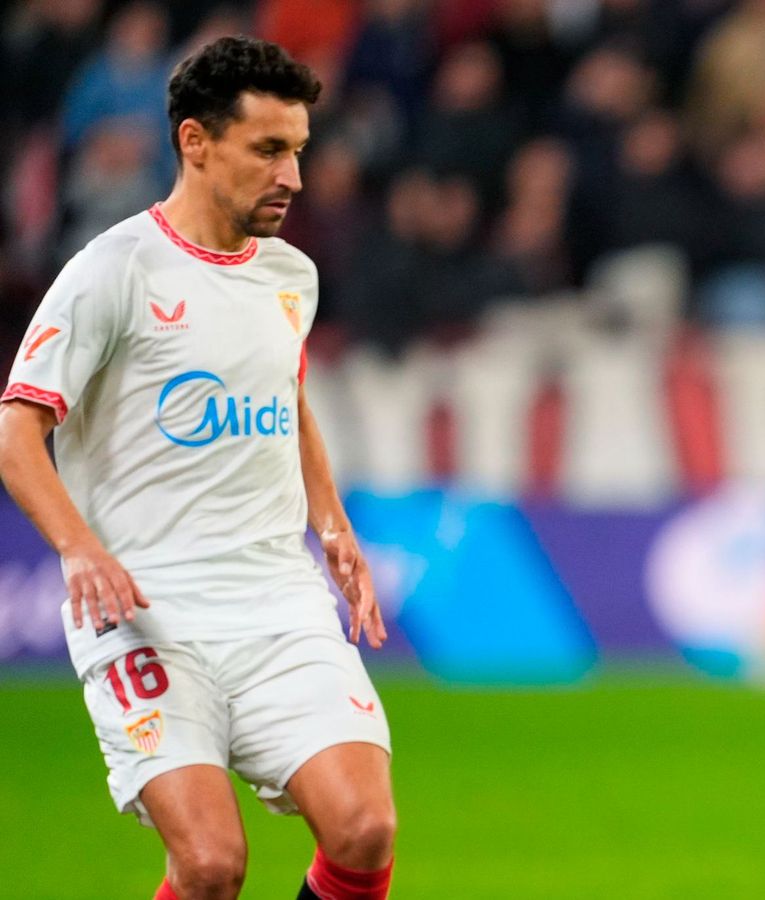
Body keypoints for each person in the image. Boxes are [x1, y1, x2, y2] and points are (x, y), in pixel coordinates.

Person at [0, 37, 395, 900]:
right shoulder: (113, 271)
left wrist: (330, 522)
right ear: (194, 142)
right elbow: (16, 431)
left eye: (297, 149)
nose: (291, 175)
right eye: (267, 150)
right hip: (146, 609)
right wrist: (77, 548)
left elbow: (286, 397)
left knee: (365, 832)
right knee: (213, 867)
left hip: (275, 601)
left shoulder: (290, 275)